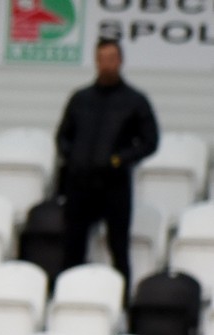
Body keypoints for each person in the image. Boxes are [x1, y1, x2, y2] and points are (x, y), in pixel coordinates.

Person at [56, 37, 158, 289]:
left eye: (111, 59)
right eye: (102, 59)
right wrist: (73, 156)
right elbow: (62, 136)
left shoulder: (134, 100)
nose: (107, 64)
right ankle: (70, 295)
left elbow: (150, 141)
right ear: (96, 61)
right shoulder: (81, 98)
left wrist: (120, 159)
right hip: (80, 184)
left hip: (114, 184)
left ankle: (121, 300)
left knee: (118, 247)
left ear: (120, 61)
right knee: (73, 246)